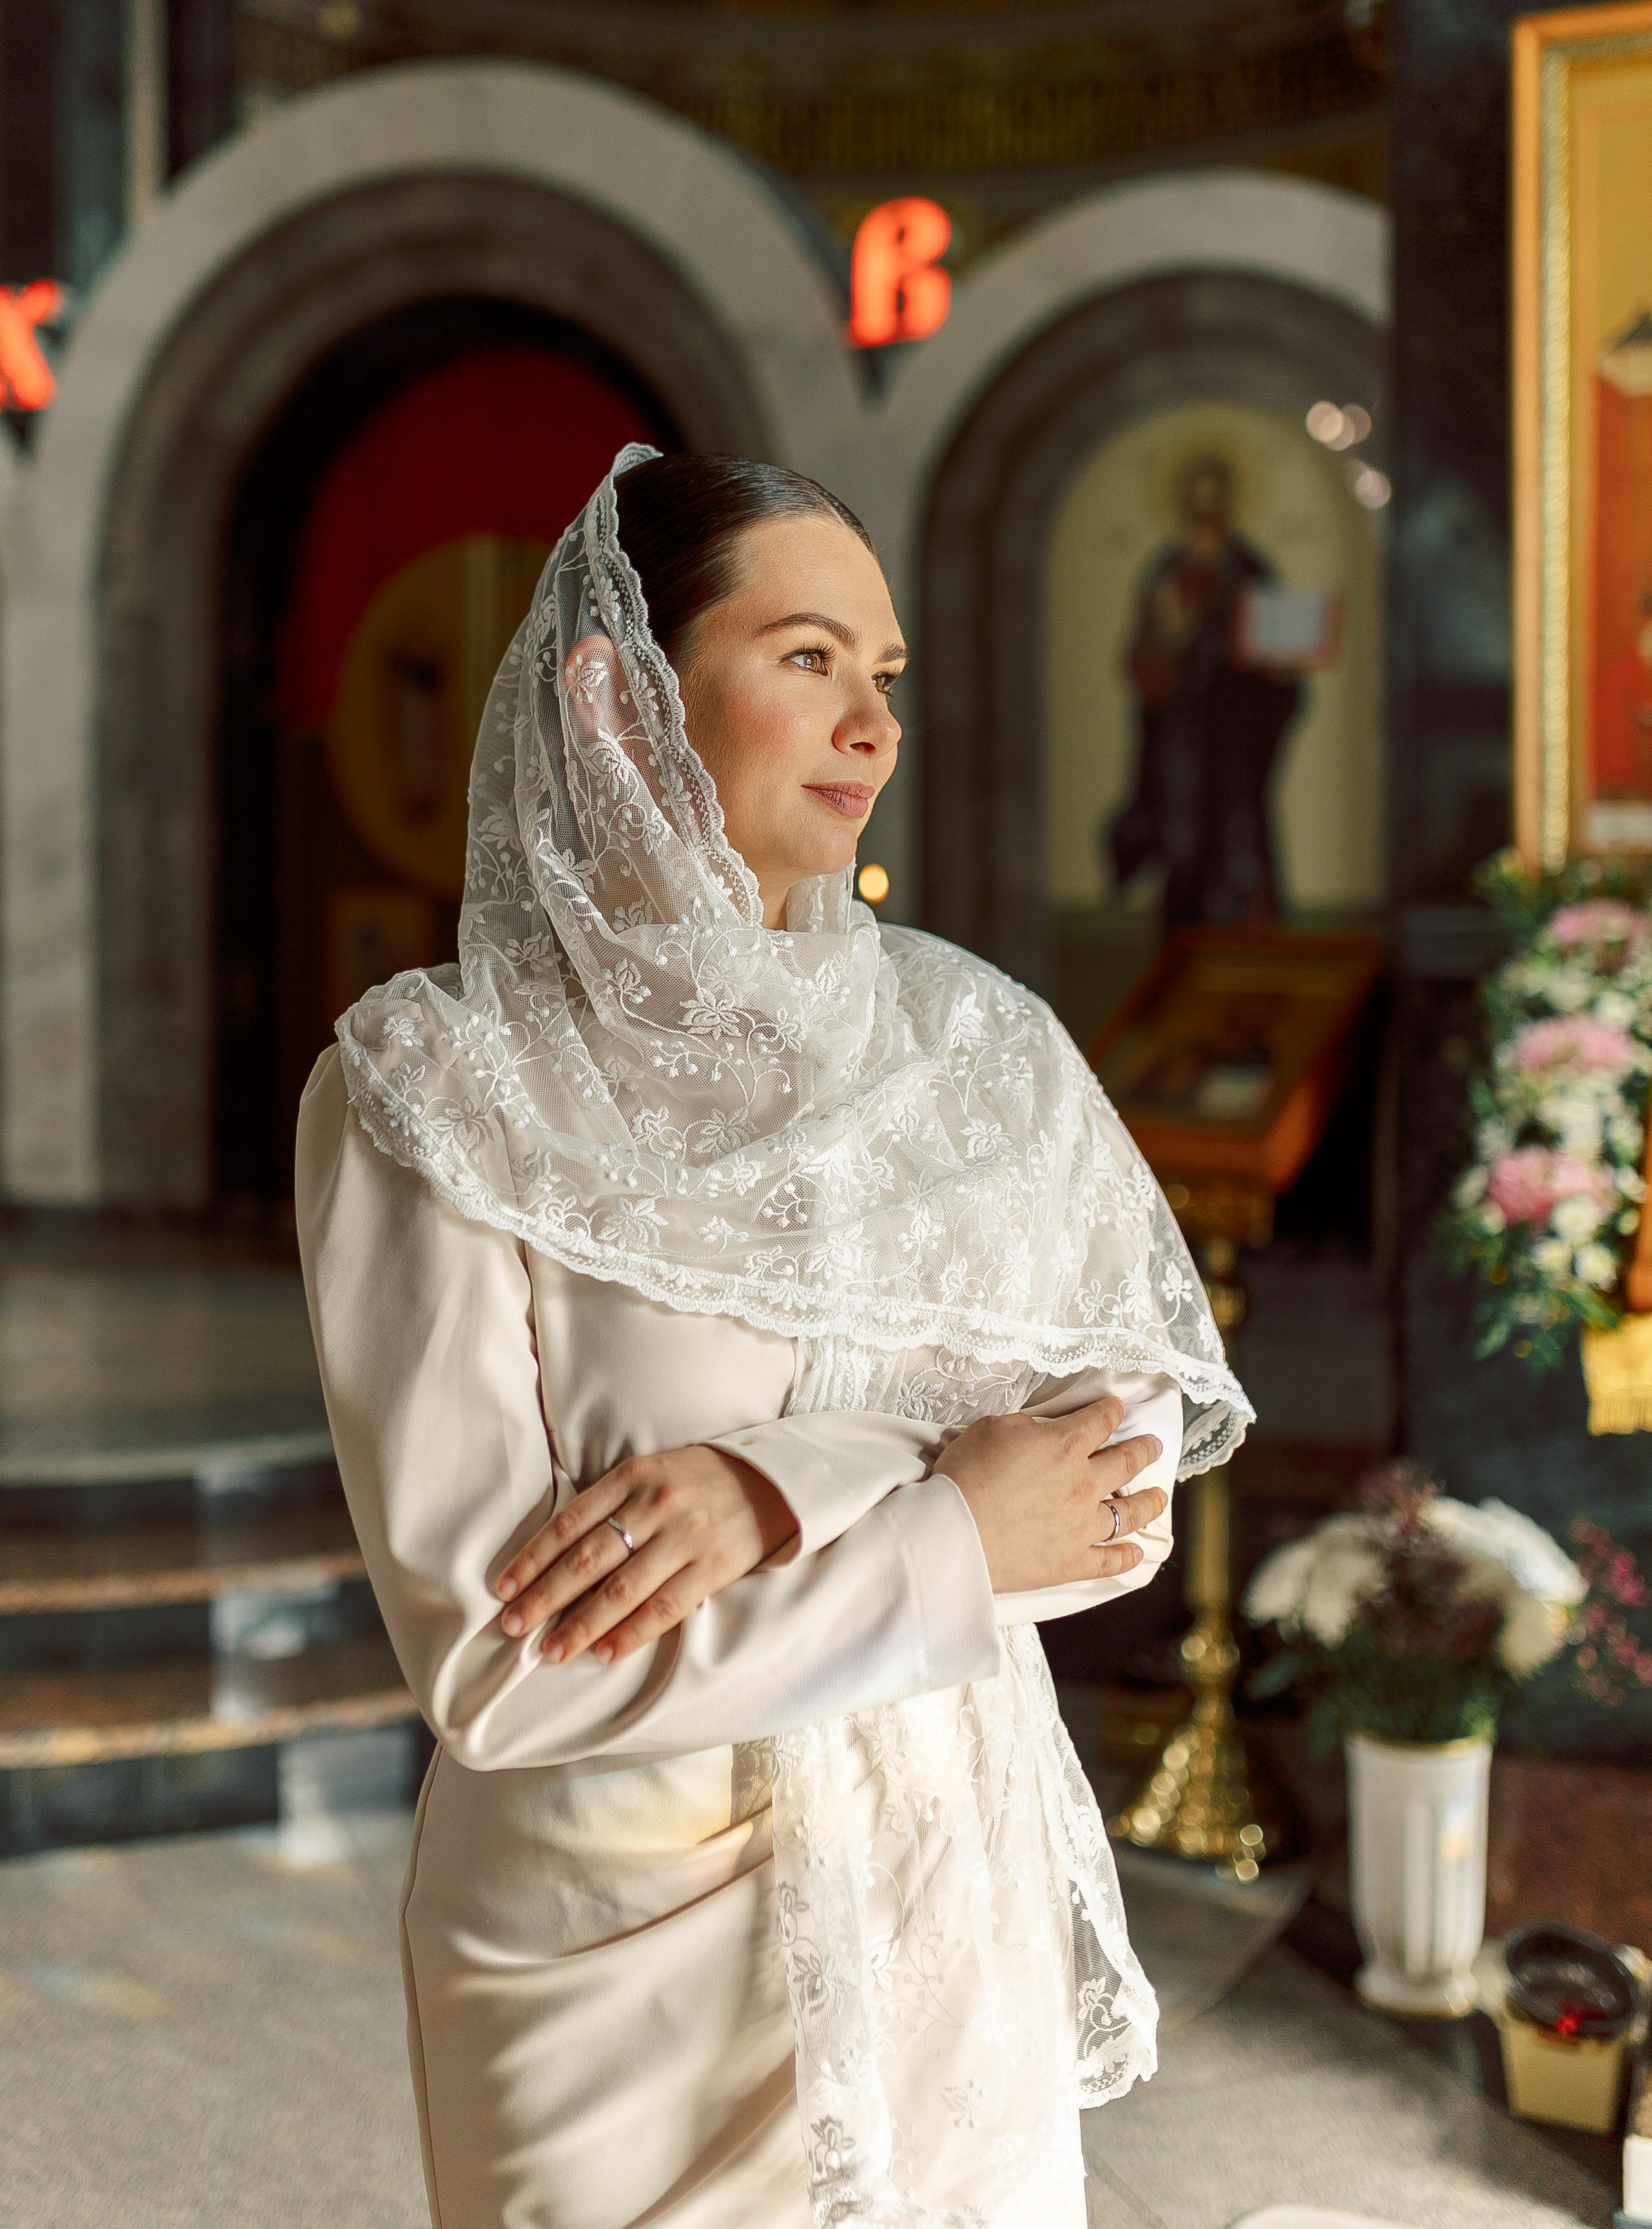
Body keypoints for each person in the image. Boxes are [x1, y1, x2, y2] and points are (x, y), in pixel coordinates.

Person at [297, 446, 1250, 2229]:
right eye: (807, 658)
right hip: (616, 1966)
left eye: (882, 675)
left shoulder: (978, 1055)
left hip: (946, 1912)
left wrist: (775, 1487)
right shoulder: (428, 1091)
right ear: (618, 696)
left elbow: (1105, 1502)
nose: (871, 726)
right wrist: (950, 1525)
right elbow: (506, 1672)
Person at [1108, 447, 1301, 927]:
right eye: (1198, 500)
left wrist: (1281, 669)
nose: (1207, 511)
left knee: (1240, 833)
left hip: (1238, 734)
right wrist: (1172, 639)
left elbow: (1274, 654)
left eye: (1216, 499)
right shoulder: (1166, 572)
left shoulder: (1250, 570)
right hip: (1184, 735)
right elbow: (1142, 661)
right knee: (1184, 836)